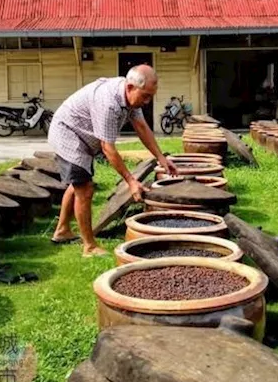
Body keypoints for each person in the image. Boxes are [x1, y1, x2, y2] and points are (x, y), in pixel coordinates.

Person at [47, 65, 179, 257]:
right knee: (84, 189)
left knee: (77, 184)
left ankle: (62, 231)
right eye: (146, 96)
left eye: (151, 96)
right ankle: (89, 246)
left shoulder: (131, 99)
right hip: (68, 134)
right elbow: (108, 148)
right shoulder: (108, 102)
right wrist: (131, 181)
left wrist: (161, 158)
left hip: (82, 135)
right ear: (130, 87)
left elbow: (141, 127)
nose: (148, 101)